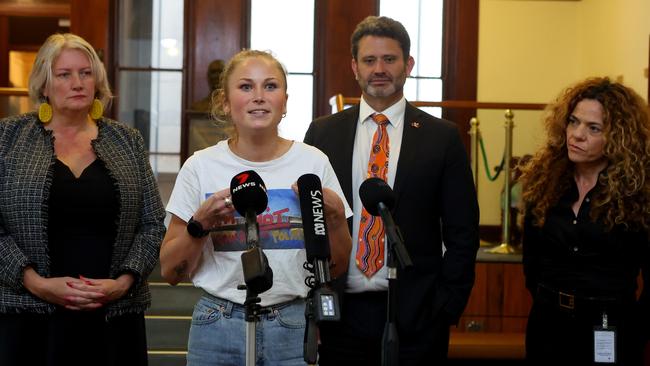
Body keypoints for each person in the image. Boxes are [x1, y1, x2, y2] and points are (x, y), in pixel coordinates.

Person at [304, 16, 480, 365]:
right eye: (369, 60)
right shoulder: (322, 134)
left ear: (408, 65)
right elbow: (309, 223)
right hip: (341, 314)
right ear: (355, 67)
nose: (379, 69)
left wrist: (446, 306)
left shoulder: (441, 137)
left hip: (418, 314)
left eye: (390, 59)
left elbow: (463, 231)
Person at [160, 49, 352, 366]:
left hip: (292, 324)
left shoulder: (313, 163)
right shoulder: (200, 167)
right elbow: (169, 272)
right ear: (224, 101)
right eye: (246, 87)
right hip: (217, 324)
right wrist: (200, 224)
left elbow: (340, 264)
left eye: (271, 86)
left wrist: (333, 219)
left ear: (285, 102)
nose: (259, 97)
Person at [0, 33, 166, 366]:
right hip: (28, 315)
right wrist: (36, 283)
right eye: (64, 74)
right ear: (44, 85)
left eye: (86, 73)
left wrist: (123, 282)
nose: (77, 82)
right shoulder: (8, 138)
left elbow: (151, 223)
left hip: (113, 315)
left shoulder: (126, 140)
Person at [519, 77, 650, 365]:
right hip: (548, 325)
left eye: (593, 128)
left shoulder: (638, 193)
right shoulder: (544, 181)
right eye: (573, 122)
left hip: (611, 326)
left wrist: (635, 331)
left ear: (618, 137)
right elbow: (532, 263)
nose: (576, 135)